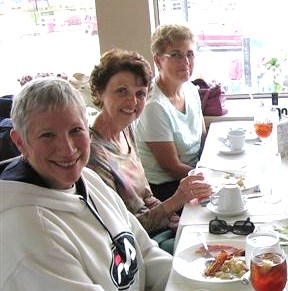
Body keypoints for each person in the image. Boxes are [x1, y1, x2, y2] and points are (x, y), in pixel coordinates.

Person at [0, 78, 171, 290]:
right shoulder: (27, 232)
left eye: (75, 130)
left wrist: (189, 282)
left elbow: (145, 251)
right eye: (47, 135)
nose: (68, 149)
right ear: (20, 142)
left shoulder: (88, 180)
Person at [86, 48, 211, 253]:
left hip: (157, 228)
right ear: (100, 92)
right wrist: (175, 201)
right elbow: (122, 230)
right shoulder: (93, 154)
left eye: (140, 94)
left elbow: (145, 197)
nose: (132, 102)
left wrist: (169, 214)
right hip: (137, 246)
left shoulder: (127, 129)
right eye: (122, 91)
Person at [135, 24, 207, 201]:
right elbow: (172, 167)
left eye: (189, 54)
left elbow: (203, 136)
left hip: (193, 172)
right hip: (167, 189)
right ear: (158, 60)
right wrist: (211, 178)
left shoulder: (190, 89)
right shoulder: (153, 105)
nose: (186, 61)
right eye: (176, 55)